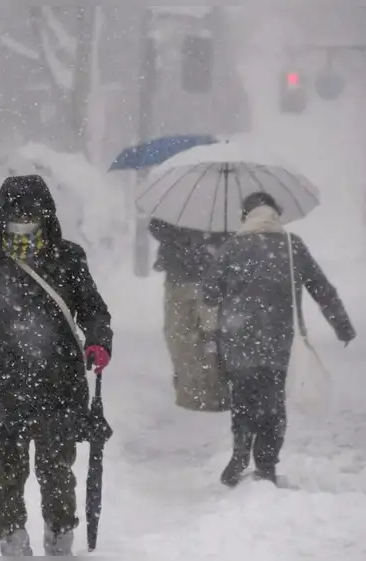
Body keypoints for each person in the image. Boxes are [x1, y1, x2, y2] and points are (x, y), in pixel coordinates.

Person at [0, 175, 113, 556]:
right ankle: (14, 541)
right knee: (10, 471)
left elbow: (93, 310)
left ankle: (58, 539)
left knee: (53, 471)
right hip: (10, 386)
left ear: (45, 214)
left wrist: (99, 341)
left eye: (30, 212)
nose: (23, 219)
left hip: (58, 384)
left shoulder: (69, 258)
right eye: (16, 212)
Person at [200, 192, 356, 487]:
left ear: (247, 216)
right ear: (275, 214)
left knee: (244, 399)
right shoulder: (290, 245)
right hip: (277, 341)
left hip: (238, 339)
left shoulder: (233, 247)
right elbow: (321, 288)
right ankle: (266, 466)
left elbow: (209, 293)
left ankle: (241, 449)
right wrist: (342, 326)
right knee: (272, 404)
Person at [148, 218, 231, 411]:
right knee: (180, 336)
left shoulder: (223, 199)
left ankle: (214, 393)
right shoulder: (179, 199)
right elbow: (156, 226)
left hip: (212, 277)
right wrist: (184, 238)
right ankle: (191, 391)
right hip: (181, 276)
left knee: (211, 336)